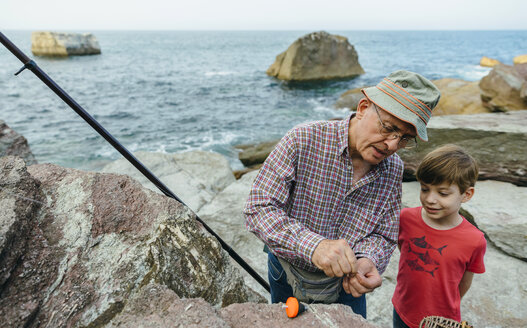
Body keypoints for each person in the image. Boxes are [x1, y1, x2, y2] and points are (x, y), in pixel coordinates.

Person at [244, 70, 441, 318]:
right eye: (388, 128)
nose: (392, 145)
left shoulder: (394, 169)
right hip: (287, 272)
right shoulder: (302, 139)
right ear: (363, 107)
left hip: (347, 287)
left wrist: (368, 259)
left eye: (404, 138)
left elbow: (384, 234)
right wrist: (314, 246)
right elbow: (258, 208)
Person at [392, 144, 487, 328]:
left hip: (442, 321)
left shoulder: (475, 240)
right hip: (402, 309)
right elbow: (404, 250)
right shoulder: (406, 218)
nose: (430, 199)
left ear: (466, 194)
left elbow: (464, 284)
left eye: (443, 193)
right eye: (425, 189)